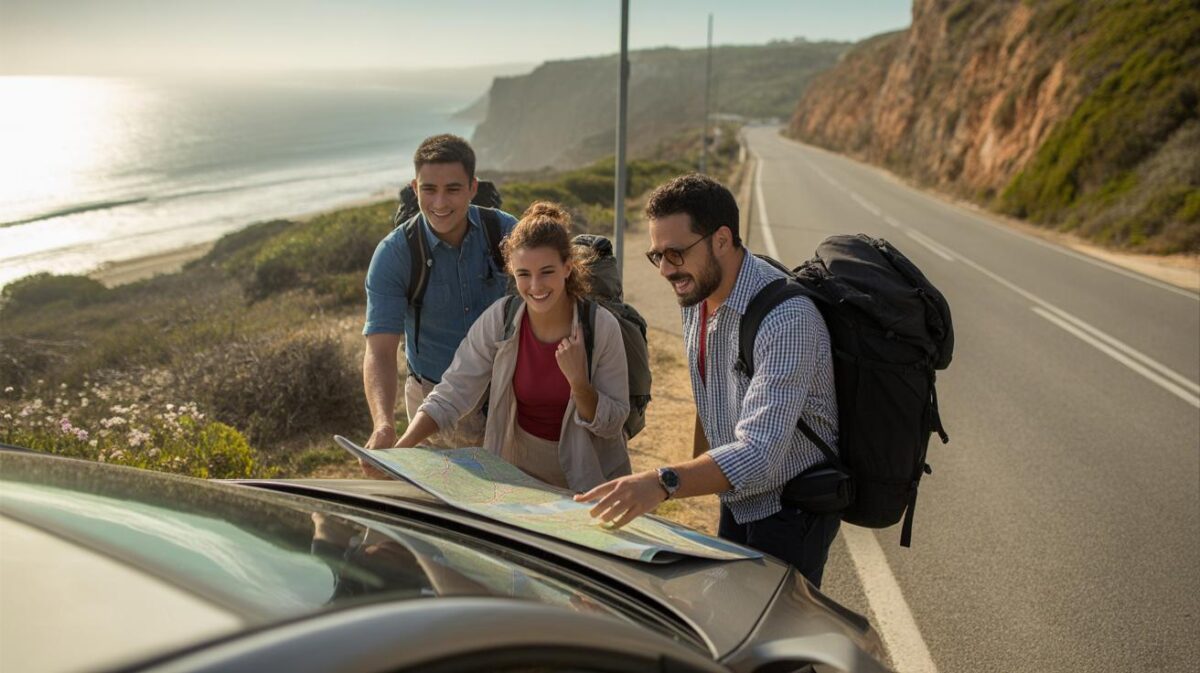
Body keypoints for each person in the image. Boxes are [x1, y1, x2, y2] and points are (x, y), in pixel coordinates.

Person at [574, 174, 841, 587]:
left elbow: (759, 453)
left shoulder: (788, 320)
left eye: (676, 253)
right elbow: (711, 399)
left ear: (721, 240)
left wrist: (663, 482)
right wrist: (694, 488)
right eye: (657, 255)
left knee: (772, 626)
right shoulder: (697, 294)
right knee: (729, 613)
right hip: (736, 495)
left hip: (790, 509)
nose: (666, 270)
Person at [392, 202, 632, 491]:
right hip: (518, 475)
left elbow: (612, 423)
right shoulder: (500, 318)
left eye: (546, 272)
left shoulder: (601, 327)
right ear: (512, 272)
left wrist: (579, 384)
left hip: (590, 478)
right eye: (523, 274)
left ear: (567, 267)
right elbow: (451, 394)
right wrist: (400, 450)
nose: (535, 286)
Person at [362, 134, 518, 450]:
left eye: (453, 189)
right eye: (429, 189)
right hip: (433, 400)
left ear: (472, 188)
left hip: (508, 390)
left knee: (514, 481)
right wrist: (383, 424)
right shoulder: (394, 254)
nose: (440, 203)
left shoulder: (505, 232)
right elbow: (379, 351)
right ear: (415, 188)